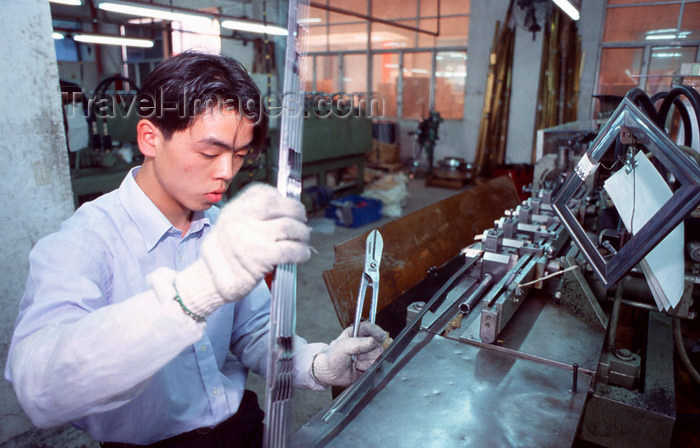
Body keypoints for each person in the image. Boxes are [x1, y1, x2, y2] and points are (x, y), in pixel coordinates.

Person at [5, 51, 387, 448]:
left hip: (241, 429)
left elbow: (254, 332)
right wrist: (194, 293)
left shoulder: (219, 226)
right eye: (209, 153)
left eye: (238, 156)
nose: (226, 172)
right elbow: (39, 389)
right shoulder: (82, 243)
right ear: (150, 138)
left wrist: (317, 365)